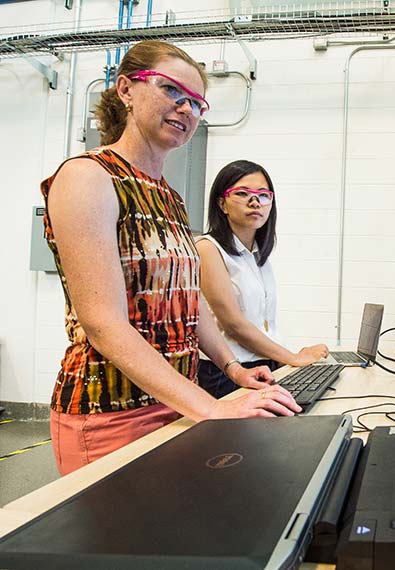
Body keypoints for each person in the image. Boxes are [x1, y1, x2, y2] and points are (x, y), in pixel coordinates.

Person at [41, 40, 300, 476]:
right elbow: (103, 325)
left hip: (176, 399)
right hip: (111, 410)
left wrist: (233, 370)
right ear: (126, 89)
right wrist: (212, 410)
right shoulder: (88, 177)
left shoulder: (171, 199)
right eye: (171, 91)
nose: (186, 109)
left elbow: (188, 301)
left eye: (197, 102)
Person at [195, 160, 329, 398]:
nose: (255, 201)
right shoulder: (208, 248)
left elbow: (261, 325)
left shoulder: (258, 256)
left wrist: (288, 359)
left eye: (263, 195)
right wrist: (294, 358)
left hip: (264, 366)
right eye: (243, 193)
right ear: (222, 203)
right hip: (227, 373)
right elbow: (234, 326)